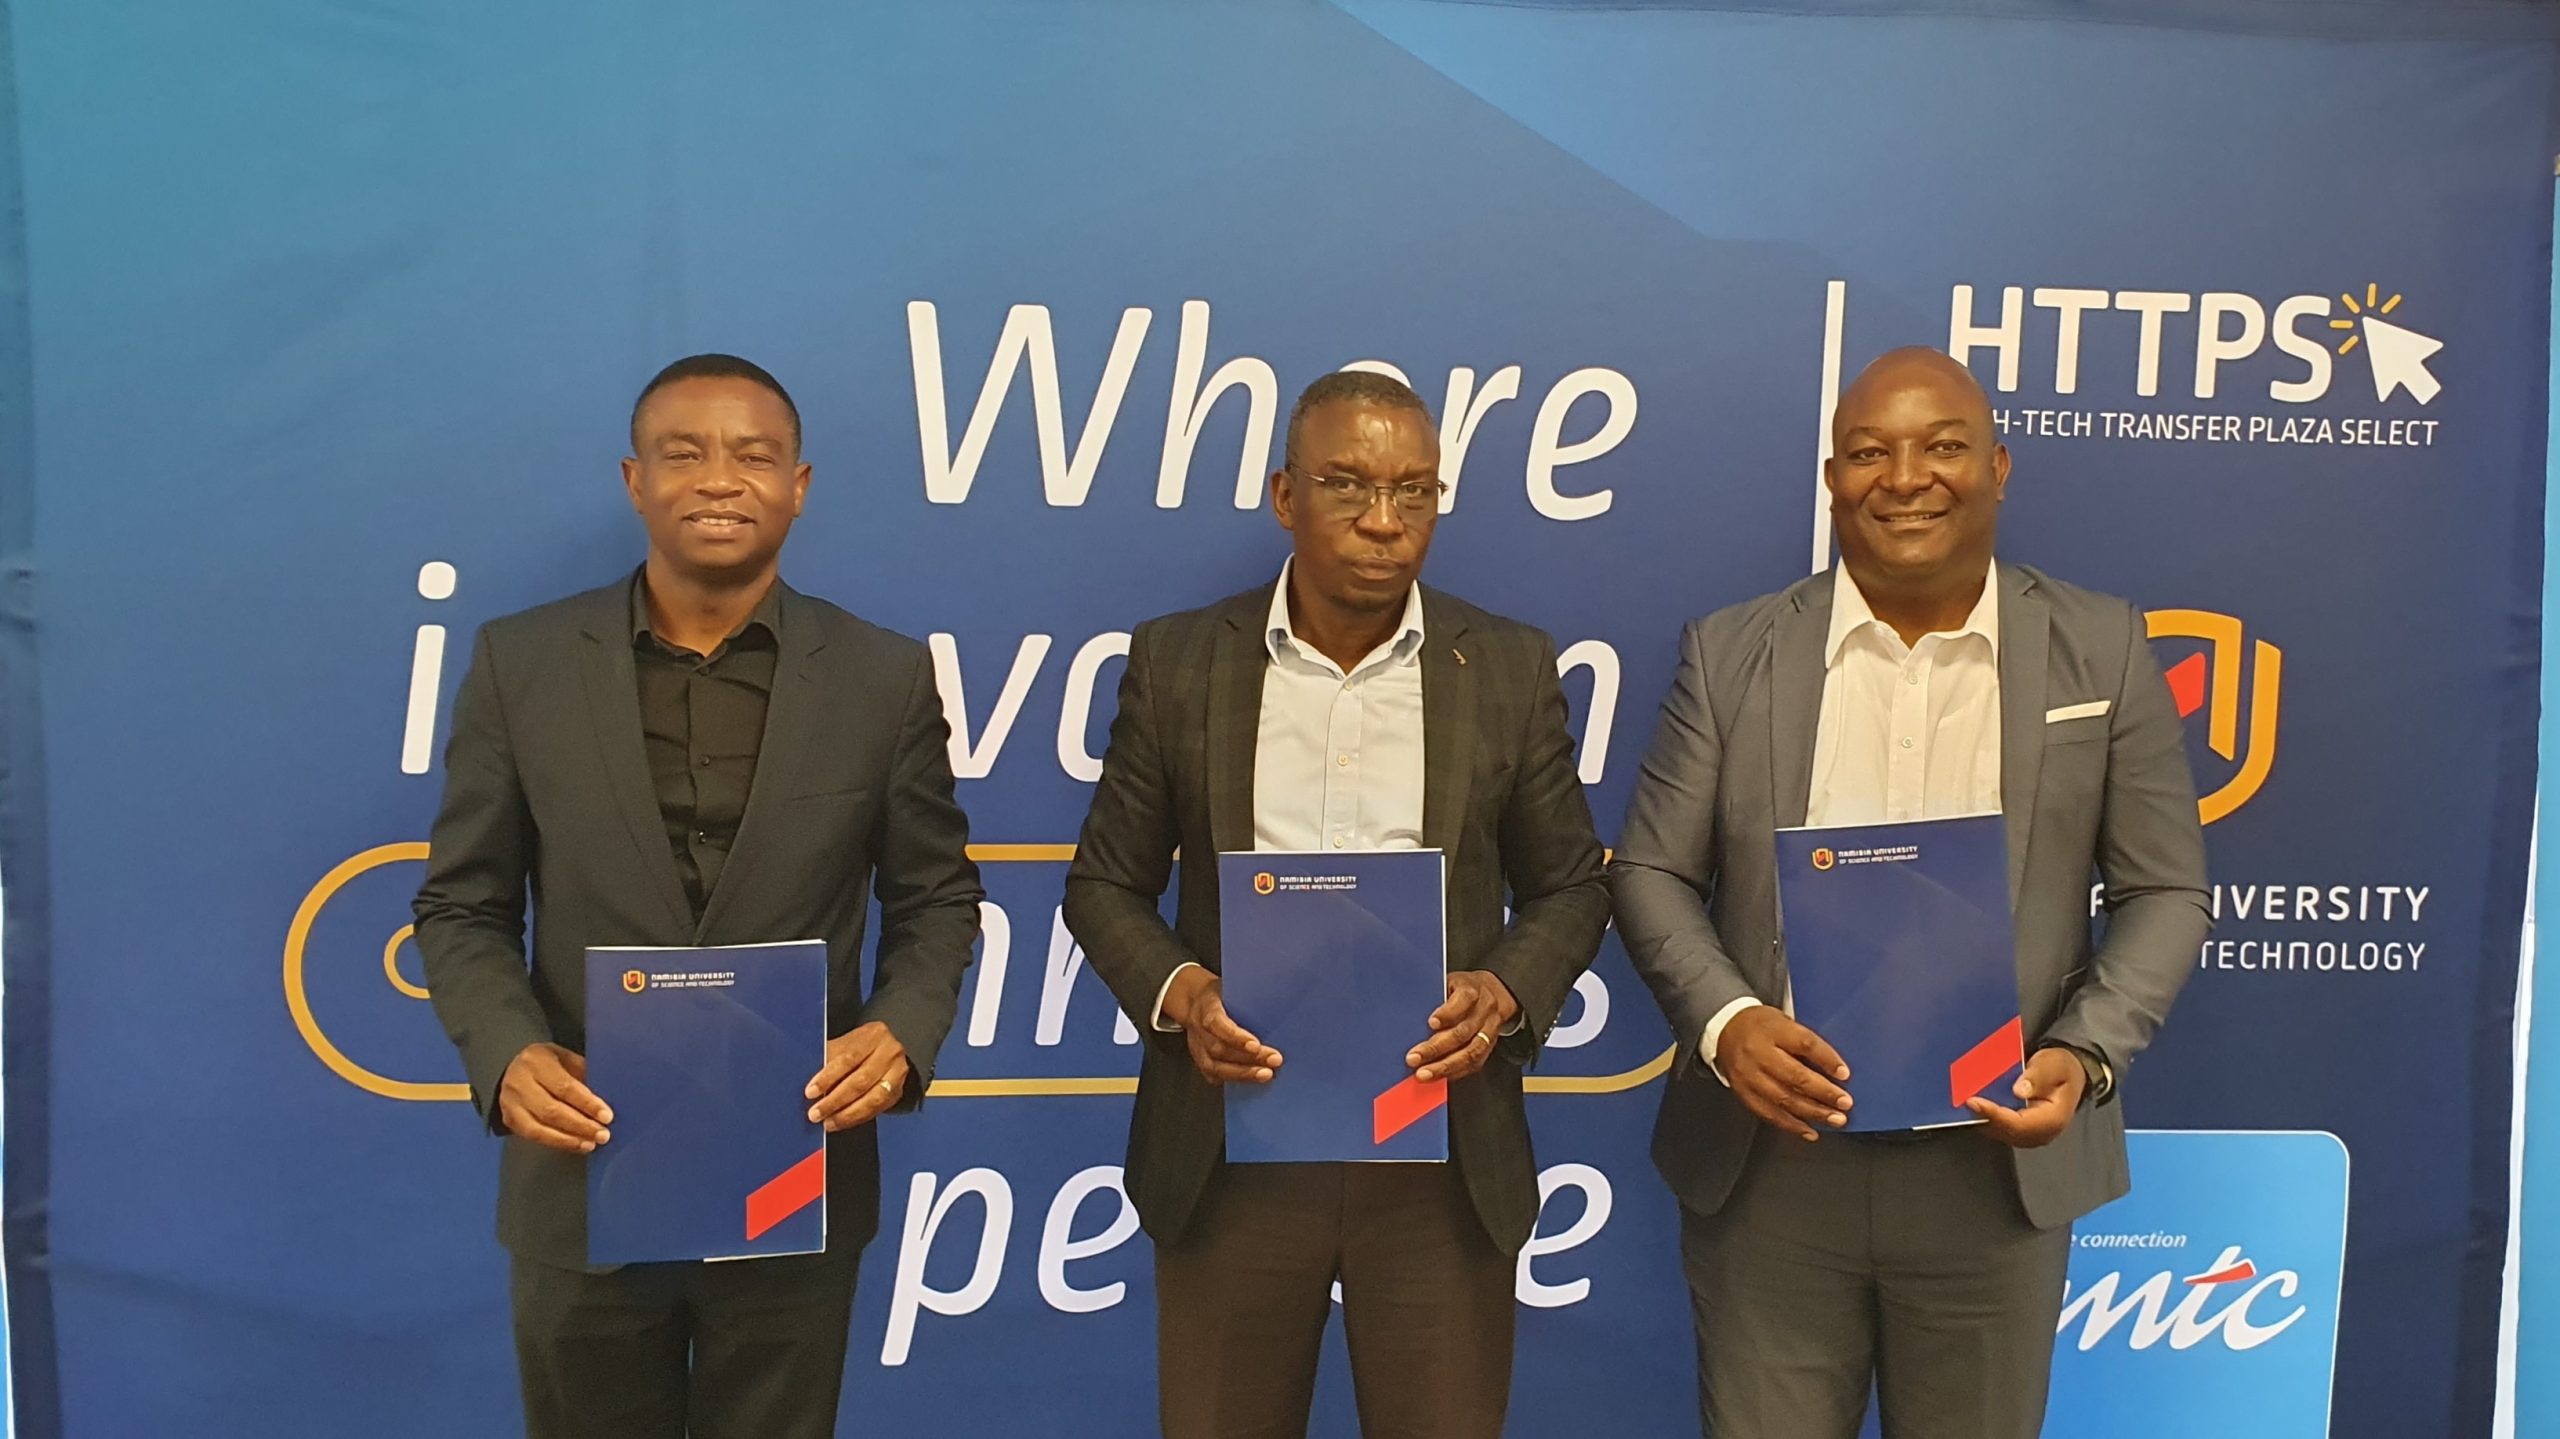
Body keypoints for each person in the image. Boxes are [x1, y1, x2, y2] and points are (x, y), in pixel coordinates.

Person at [1609, 346, 2211, 1437]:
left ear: (1999, 467)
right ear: (1831, 478)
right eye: (1867, 453)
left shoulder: (2103, 649)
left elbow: (2166, 888)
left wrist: (2083, 1053)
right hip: (1773, 1165)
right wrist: (1729, 1023)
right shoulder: (1731, 652)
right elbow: (1650, 868)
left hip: (1994, 1167)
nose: (1904, 478)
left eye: (1942, 446)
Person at [411, 353, 982, 1439]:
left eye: (753, 455)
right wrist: (508, 1052)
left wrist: (901, 1031)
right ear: (635, 480)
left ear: (798, 486)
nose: (720, 478)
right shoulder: (520, 664)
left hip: (794, 1172)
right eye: (685, 452)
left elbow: (938, 897)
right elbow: (462, 906)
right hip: (582, 1171)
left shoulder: (883, 676)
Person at [1062, 370, 1611, 1439]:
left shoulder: (1505, 665)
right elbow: (1104, 883)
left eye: (1414, 490)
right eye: (1347, 484)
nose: (1383, 519)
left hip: (1441, 1161)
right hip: (1230, 1154)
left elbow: (1571, 883)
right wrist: (1184, 994)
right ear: (1284, 495)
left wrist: (1503, 990)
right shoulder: (1179, 661)